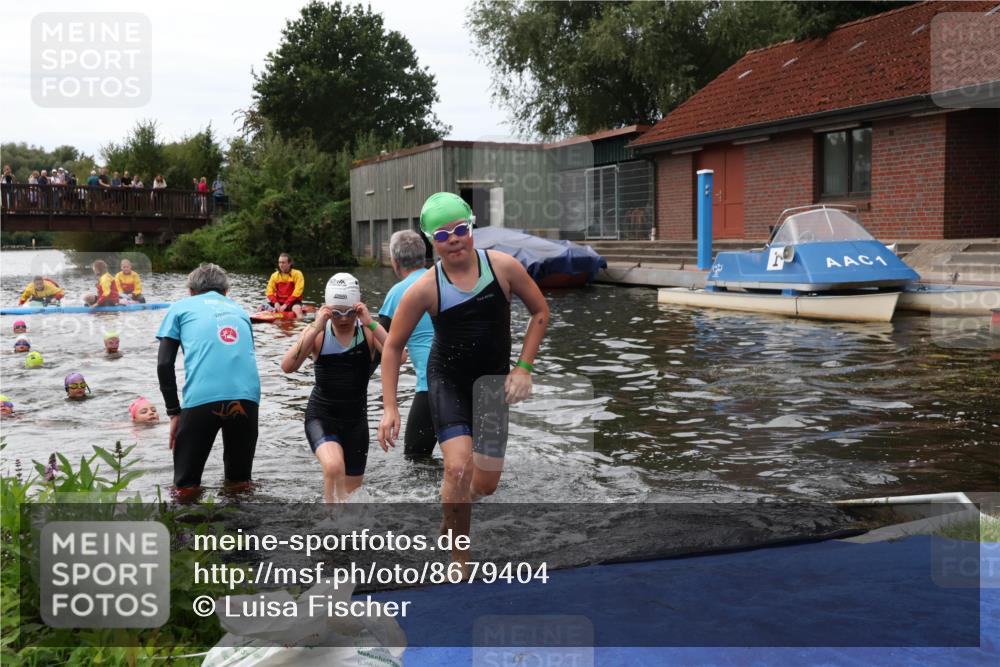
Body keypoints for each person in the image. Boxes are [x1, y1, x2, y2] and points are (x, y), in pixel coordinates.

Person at [377, 192, 549, 566]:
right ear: (430, 242)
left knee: (484, 484)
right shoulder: (424, 288)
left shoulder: (502, 267)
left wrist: (524, 368)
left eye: (459, 229)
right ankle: (459, 555)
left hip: (490, 387)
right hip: (447, 381)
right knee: (456, 466)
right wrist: (390, 408)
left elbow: (539, 313)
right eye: (441, 234)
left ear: (471, 229)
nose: (452, 239)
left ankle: (451, 509)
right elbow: (391, 349)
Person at [280, 273, 386, 502]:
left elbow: (401, 357)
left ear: (358, 308)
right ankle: (329, 527)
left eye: (350, 312)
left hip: (356, 422)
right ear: (327, 309)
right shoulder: (318, 335)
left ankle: (347, 532)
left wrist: (371, 322)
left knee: (352, 497)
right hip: (322, 415)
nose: (343, 318)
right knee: (333, 466)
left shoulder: (367, 332)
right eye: (336, 312)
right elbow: (288, 366)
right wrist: (316, 326)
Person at [156, 263, 261, 493]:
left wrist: (174, 412)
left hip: (203, 399)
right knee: (240, 483)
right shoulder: (240, 310)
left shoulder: (180, 307)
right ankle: (243, 527)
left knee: (185, 487)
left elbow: (164, 364)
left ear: (191, 291)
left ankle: (186, 527)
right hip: (247, 398)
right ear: (226, 292)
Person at [379, 230, 436, 460]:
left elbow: (378, 346)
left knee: (416, 459)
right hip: (471, 383)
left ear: (394, 262)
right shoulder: (443, 280)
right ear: (424, 256)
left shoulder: (398, 293)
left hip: (431, 387)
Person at [265, 253, 305, 318]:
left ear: (289, 263)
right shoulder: (274, 276)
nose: (281, 265)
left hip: (293, 302)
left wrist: (286, 304)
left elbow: (298, 292)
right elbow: (269, 292)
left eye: (283, 263)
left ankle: (300, 327)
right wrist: (275, 303)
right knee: (260, 307)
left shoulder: (297, 274)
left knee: (298, 311)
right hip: (279, 303)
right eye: (279, 262)